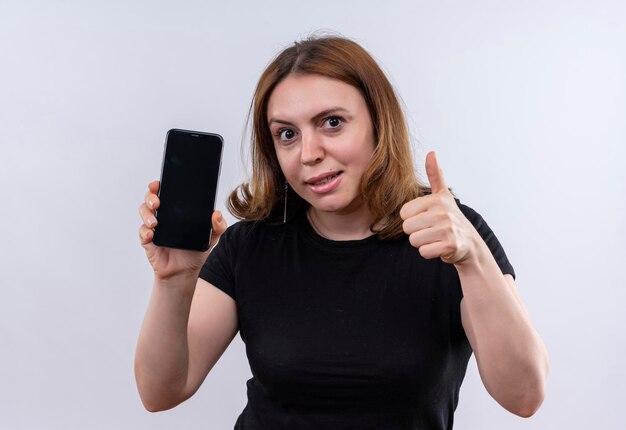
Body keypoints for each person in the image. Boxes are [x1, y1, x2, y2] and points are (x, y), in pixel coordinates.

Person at [135, 35, 549, 429]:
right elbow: (161, 392)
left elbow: (524, 396)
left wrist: (472, 258)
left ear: (378, 123)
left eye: (332, 123)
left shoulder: (451, 236)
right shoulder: (250, 244)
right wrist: (173, 280)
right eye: (287, 134)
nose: (309, 153)